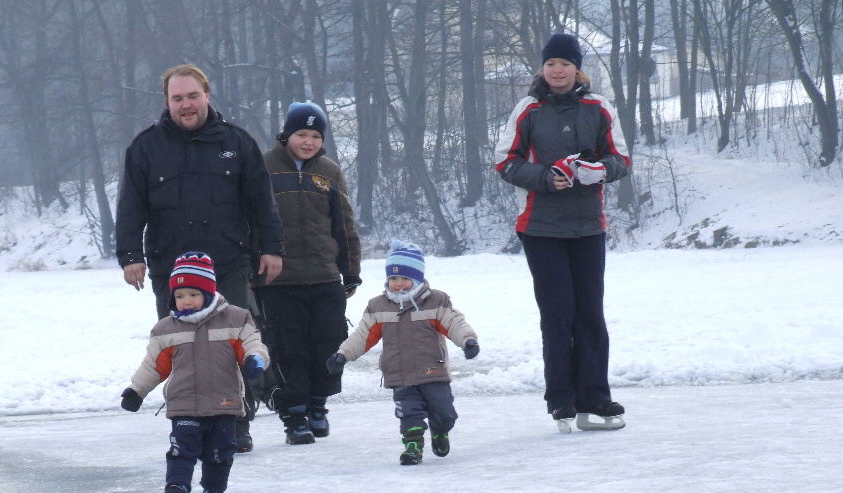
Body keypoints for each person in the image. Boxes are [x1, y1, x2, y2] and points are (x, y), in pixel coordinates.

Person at [116, 63, 284, 453]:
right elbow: (130, 207)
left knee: (231, 346)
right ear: (167, 102)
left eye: (193, 96)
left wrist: (272, 249)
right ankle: (189, 425)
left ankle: (237, 423)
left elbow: (262, 204)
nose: (186, 105)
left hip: (227, 264)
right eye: (178, 98)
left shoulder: (237, 143)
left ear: (207, 95)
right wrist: (130, 255)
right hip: (170, 272)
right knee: (182, 349)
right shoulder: (145, 148)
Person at [493, 32, 631, 433]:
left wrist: (600, 171)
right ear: (543, 68)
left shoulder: (598, 107)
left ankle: (596, 399)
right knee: (558, 315)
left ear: (577, 69)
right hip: (540, 228)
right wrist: (544, 176)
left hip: (588, 227)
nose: (558, 71)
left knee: (591, 314)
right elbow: (505, 162)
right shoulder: (529, 108)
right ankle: (562, 401)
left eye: (565, 64)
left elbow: (620, 157)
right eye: (551, 64)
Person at [120, 252, 270, 493]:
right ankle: (176, 489)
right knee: (181, 450)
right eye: (179, 296)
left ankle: (213, 492)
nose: (185, 302)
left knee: (220, 453)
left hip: (224, 403)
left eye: (192, 294)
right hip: (184, 404)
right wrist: (136, 390)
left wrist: (255, 360)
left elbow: (252, 344)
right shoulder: (166, 330)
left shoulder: (236, 319)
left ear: (209, 292)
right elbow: (154, 365)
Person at [254, 101, 363, 445]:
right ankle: (294, 415)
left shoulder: (329, 171)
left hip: (324, 275)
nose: (308, 141)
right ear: (287, 134)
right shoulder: (264, 167)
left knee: (327, 344)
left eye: (315, 135)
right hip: (279, 281)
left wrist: (350, 270)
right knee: (289, 349)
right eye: (301, 133)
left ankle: (318, 405)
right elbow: (252, 220)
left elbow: (344, 223)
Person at [325, 241, 479, 465]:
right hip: (400, 374)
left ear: (416, 279)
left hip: (432, 370)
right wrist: (343, 355)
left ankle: (439, 430)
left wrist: (468, 341)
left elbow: (454, 323)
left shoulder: (435, 302)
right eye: (393, 279)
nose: (398, 284)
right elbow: (363, 335)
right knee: (409, 414)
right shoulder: (379, 307)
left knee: (444, 414)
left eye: (404, 279)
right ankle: (413, 447)